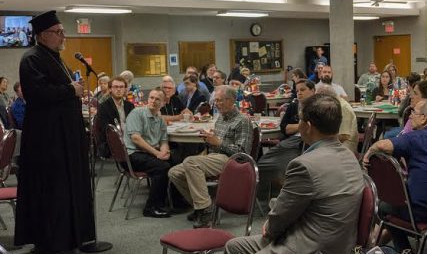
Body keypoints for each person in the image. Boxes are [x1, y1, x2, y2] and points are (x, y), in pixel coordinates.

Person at [210, 93, 364, 254]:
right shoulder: (350, 157)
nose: (297, 125)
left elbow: (280, 219)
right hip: (336, 249)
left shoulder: (305, 165)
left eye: (299, 120)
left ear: (308, 126)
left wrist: (271, 226)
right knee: (233, 247)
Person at [15, 10, 94, 254]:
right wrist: (71, 89)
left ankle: (72, 237)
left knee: (68, 187)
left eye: (62, 31)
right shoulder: (31, 59)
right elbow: (38, 94)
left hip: (65, 135)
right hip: (46, 139)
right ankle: (52, 244)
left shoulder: (57, 58)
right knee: (54, 190)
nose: (63, 36)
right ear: (42, 35)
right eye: (57, 32)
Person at [364, 99, 427, 250]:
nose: (410, 116)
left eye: (414, 113)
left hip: (420, 211)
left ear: (424, 118)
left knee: (382, 207)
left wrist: (368, 153)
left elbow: (382, 145)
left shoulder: (414, 138)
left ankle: (405, 252)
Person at [168, 85, 254, 228]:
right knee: (174, 172)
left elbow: (243, 153)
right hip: (216, 156)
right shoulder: (221, 118)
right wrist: (209, 138)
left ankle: (205, 210)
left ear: (231, 100)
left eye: (220, 101)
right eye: (216, 101)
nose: (216, 104)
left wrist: (218, 142)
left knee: (190, 162)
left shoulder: (242, 120)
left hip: (233, 161)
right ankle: (202, 207)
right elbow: (216, 143)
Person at [123, 87, 172, 218]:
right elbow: (135, 138)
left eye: (158, 99)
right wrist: (157, 154)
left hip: (147, 153)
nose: (153, 101)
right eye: (151, 97)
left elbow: (163, 140)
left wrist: (163, 151)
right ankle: (151, 207)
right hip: (132, 155)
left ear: (163, 103)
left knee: (176, 161)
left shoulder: (160, 119)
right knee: (162, 168)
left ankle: (174, 202)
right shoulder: (137, 113)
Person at [256, 79, 315, 186]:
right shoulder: (293, 106)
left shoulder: (317, 107)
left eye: (303, 90)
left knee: (281, 167)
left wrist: (294, 127)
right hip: (289, 141)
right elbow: (284, 128)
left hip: (305, 144)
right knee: (262, 163)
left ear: (313, 91)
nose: (299, 93)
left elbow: (313, 129)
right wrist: (302, 126)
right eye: (297, 91)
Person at [96, 76, 134, 158]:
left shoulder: (130, 106)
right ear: (110, 89)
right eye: (116, 87)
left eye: (121, 87)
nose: (119, 89)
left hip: (129, 139)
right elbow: (105, 129)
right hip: (112, 142)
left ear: (125, 89)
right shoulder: (103, 107)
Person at [316, 84, 358, 152]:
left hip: (345, 146)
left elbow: (344, 136)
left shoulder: (343, 107)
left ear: (326, 98)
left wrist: (322, 140)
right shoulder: (335, 104)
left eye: (318, 99)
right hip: (335, 142)